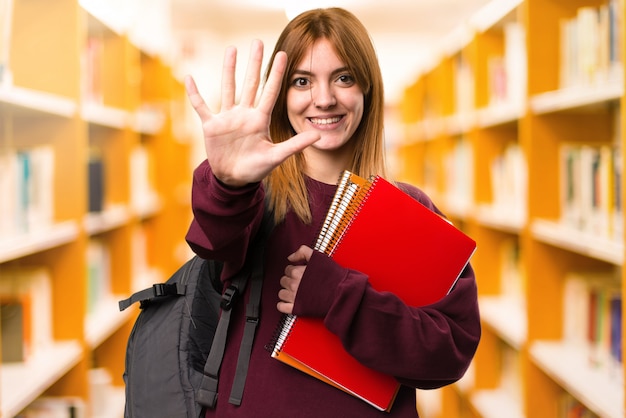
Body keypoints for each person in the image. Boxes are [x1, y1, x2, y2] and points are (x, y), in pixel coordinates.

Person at [184, 7, 480, 417]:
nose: (323, 99)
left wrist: (338, 295)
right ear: (282, 96)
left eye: (344, 78)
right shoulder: (255, 195)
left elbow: (450, 353)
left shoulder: (412, 209)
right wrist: (228, 182)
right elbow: (212, 237)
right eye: (302, 81)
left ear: (368, 91)